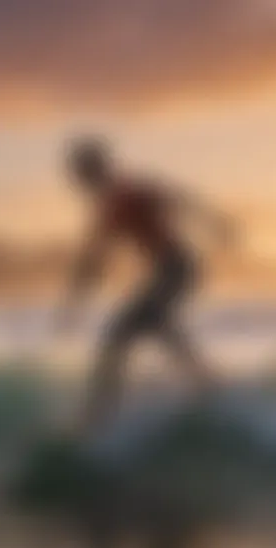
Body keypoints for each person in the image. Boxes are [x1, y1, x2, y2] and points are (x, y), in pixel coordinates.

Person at [56, 136, 240, 438]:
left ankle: (99, 415)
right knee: (145, 325)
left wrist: (218, 223)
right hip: (168, 270)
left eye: (80, 174)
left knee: (127, 330)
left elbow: (178, 198)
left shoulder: (126, 192)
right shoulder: (109, 206)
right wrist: (73, 304)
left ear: (94, 170)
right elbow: (95, 259)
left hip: (177, 267)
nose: (78, 183)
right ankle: (205, 383)